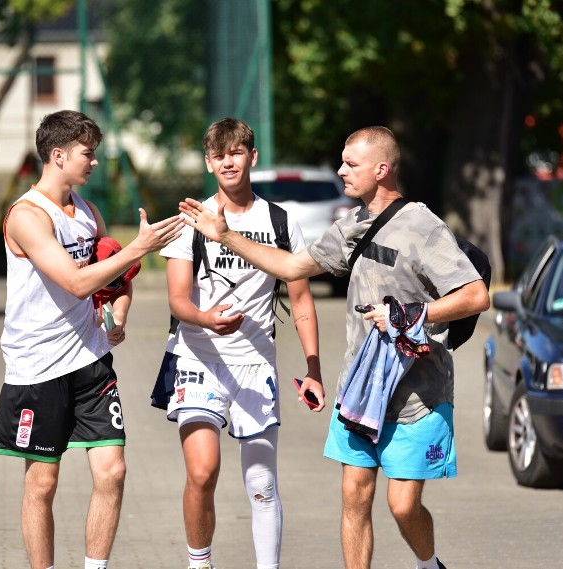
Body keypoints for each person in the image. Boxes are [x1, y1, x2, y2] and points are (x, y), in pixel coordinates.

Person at [178, 126, 490, 569]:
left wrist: (414, 315)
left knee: (402, 506)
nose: (341, 170)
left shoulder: (422, 226)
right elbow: (289, 266)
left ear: (381, 170)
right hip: (361, 392)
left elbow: (476, 296)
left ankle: (428, 564)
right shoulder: (353, 225)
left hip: (418, 396)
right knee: (354, 499)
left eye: (351, 164)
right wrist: (224, 234)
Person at [0, 109, 183, 569]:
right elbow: (76, 282)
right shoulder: (27, 217)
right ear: (58, 155)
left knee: (112, 472)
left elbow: (113, 276)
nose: (94, 162)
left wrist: (120, 310)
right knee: (42, 483)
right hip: (38, 366)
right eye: (87, 154)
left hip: (90, 359)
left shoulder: (88, 210)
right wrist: (140, 247)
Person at [156, 117, 325, 569]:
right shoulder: (191, 220)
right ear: (209, 163)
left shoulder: (281, 221)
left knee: (262, 483)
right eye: (219, 155)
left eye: (236, 152)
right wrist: (205, 319)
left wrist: (314, 369)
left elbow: (302, 300)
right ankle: (199, 563)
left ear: (252, 157)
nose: (228, 161)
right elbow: (176, 300)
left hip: (256, 363)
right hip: (199, 359)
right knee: (202, 470)